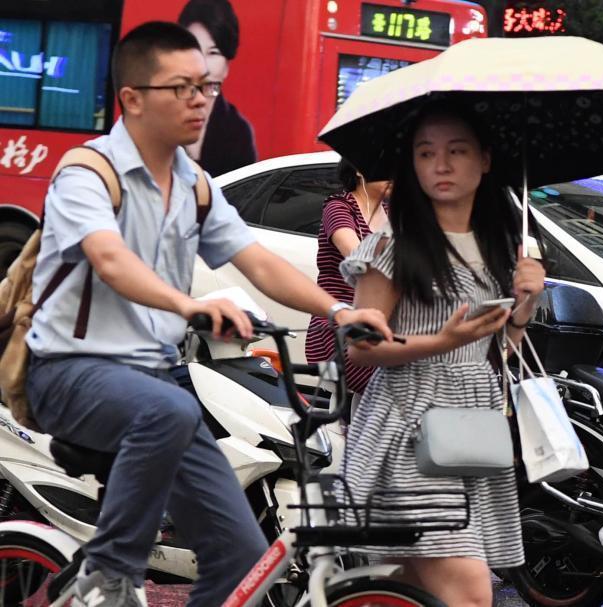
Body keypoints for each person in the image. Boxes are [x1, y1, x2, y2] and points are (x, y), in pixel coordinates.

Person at [25, 22, 390, 607]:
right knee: (170, 408)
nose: (200, 100)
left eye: (206, 87)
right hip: (73, 372)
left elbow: (258, 262)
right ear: (133, 98)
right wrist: (189, 303)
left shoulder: (195, 185)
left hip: (158, 385)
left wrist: (338, 309)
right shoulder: (87, 175)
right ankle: (110, 572)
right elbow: (109, 258)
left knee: (242, 561)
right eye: (182, 88)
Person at [338, 103, 546, 607]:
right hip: (407, 428)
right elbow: (362, 348)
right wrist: (441, 342)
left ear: (486, 160)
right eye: (426, 153)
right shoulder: (394, 244)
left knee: (410, 588)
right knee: (469, 592)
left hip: (472, 428)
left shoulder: (505, 247)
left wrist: (524, 306)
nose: (442, 165)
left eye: (457, 152)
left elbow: (497, 351)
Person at [305, 159, 390, 394]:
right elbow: (358, 258)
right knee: (399, 372)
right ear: (361, 169)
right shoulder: (339, 207)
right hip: (336, 327)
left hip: (379, 323)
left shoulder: (394, 212)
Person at [179, 0, 256, 176]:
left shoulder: (238, 133)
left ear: (227, 66)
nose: (203, 65)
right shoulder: (161, 117)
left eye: (213, 53)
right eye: (195, 50)